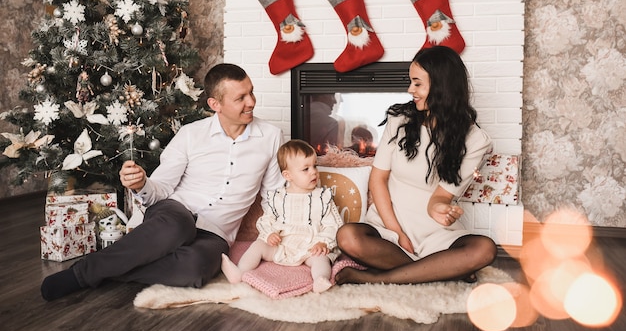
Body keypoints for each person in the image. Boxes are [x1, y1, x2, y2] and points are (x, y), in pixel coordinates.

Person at [40, 63, 284, 301]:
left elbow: (274, 194)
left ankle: (110, 269)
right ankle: (83, 274)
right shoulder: (191, 134)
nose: (251, 102)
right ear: (215, 104)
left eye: (251, 92)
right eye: (241, 97)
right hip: (176, 213)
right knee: (178, 227)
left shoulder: (271, 137)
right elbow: (162, 187)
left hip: (217, 233)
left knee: (195, 269)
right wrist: (140, 184)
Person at [335, 46, 497, 285]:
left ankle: (378, 278)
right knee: (348, 237)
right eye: (411, 82)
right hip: (388, 226)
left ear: (441, 86)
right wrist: (397, 232)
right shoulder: (399, 120)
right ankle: (441, 271)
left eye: (417, 83)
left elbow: (441, 196)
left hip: (435, 235)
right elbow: (377, 180)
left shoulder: (475, 140)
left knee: (484, 249)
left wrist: (439, 209)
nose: (411, 90)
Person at [221, 139, 343, 293]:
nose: (313, 172)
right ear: (288, 175)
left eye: (315, 166)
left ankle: (320, 279)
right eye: (305, 169)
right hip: (282, 244)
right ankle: (239, 271)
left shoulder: (322, 197)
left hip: (309, 246)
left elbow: (333, 225)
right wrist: (270, 233)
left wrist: (322, 242)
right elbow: (267, 219)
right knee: (258, 245)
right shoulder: (278, 197)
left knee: (321, 258)